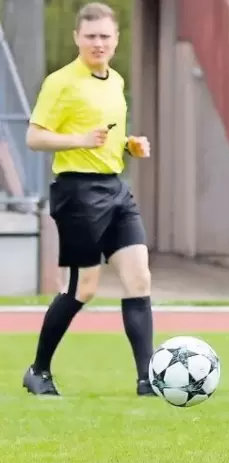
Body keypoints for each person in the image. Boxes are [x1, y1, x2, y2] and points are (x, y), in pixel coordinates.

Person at [22, 2, 155, 397]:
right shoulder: (60, 82)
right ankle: (38, 370)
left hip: (115, 188)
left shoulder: (114, 80)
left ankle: (147, 380)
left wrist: (130, 145)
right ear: (77, 38)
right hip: (77, 192)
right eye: (91, 36)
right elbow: (34, 137)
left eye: (105, 37)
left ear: (115, 41)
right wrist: (77, 140)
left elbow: (107, 133)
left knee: (139, 278)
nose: (98, 43)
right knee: (84, 288)